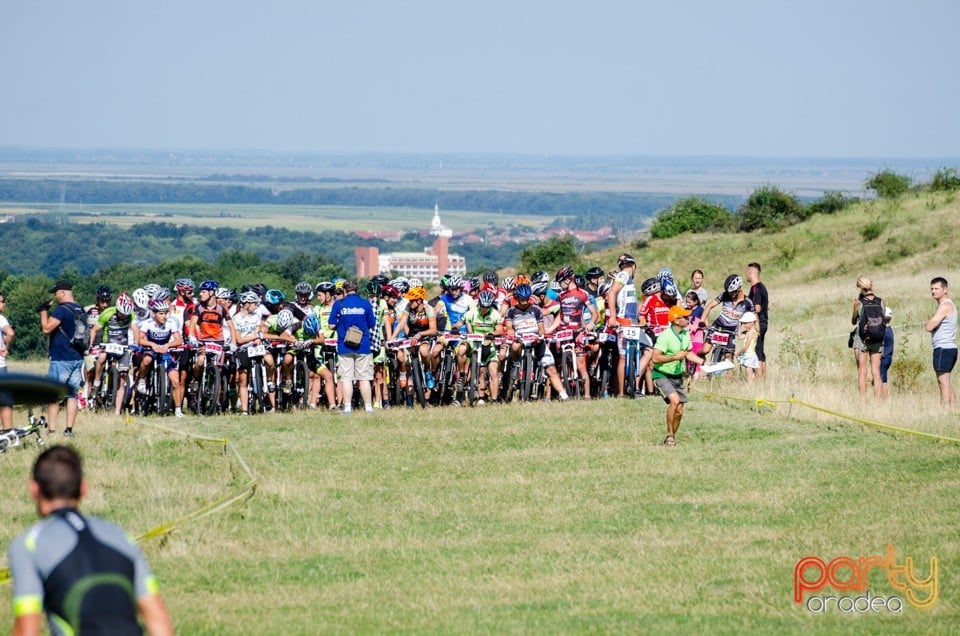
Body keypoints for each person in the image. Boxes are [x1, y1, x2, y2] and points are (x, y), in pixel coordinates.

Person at [8, 445, 174, 635]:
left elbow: (27, 630)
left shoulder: (29, 544)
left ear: (33, 489)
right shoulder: (119, 535)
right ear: (83, 488)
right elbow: (157, 617)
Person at [652, 305, 706, 447]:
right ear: (676, 320)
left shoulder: (684, 334)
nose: (688, 318)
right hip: (661, 374)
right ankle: (670, 436)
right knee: (674, 401)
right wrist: (675, 357)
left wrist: (704, 363)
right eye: (685, 317)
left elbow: (688, 353)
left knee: (680, 411)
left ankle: (671, 437)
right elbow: (655, 358)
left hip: (677, 376)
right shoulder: (665, 336)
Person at [37, 281, 85, 437]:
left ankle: (51, 429)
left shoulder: (61, 310)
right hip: (77, 357)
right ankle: (69, 429)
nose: (55, 296)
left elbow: (46, 328)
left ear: (63, 292)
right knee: (72, 395)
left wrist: (43, 311)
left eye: (56, 293)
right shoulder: (80, 309)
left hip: (61, 358)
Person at [328, 280, 377, 414]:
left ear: (344, 291)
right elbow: (371, 324)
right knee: (364, 378)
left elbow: (331, 325)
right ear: (357, 290)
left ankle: (348, 407)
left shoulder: (339, 304)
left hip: (344, 346)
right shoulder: (365, 304)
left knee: (347, 378)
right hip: (363, 345)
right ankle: (368, 407)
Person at [851, 274, 886, 399]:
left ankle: (863, 401)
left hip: (862, 340)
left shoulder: (858, 303)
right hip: (877, 339)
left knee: (862, 371)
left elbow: (854, 322)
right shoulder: (881, 301)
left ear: (859, 287)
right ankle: (877, 399)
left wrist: (855, 309)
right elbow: (884, 320)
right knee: (876, 372)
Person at [925, 277, 956, 404]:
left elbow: (929, 327)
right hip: (947, 348)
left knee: (942, 383)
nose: (933, 291)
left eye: (936, 288)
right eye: (932, 289)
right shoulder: (944, 305)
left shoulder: (946, 305)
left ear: (945, 289)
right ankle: (953, 408)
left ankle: (945, 409)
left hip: (944, 348)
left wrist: (929, 324)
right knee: (946, 382)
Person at [746, 262, 769, 379]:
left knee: (756, 352)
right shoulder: (763, 287)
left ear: (751, 273)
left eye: (747, 273)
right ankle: (763, 378)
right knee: (760, 350)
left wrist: (755, 324)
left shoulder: (756, 288)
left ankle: (758, 379)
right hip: (765, 322)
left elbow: (757, 307)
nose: (746, 275)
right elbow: (768, 306)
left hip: (758, 323)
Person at [0, 291, 15, 431]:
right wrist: (6, 347)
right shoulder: (1, 318)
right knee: (5, 401)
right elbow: (10, 333)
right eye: (2, 301)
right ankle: (8, 431)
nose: (4, 304)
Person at [735, 311, 760, 382]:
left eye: (745, 323)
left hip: (749, 355)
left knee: (748, 375)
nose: (744, 325)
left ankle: (749, 388)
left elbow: (746, 347)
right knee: (750, 374)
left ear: (752, 322)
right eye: (743, 323)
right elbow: (739, 336)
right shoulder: (749, 332)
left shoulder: (751, 333)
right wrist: (739, 326)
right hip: (750, 355)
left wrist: (738, 353)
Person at [880, 307, 894, 399]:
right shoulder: (890, 330)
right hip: (889, 357)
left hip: (884, 357)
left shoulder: (883, 331)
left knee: (882, 380)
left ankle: (884, 399)